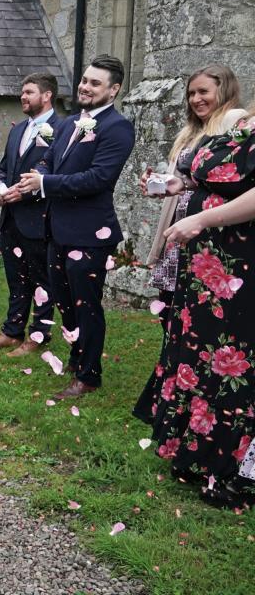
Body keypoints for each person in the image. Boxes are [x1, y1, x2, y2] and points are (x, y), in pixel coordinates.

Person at [18, 54, 135, 399]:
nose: (85, 86)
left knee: (87, 304)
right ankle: (76, 355)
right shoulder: (69, 123)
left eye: (95, 83)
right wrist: (34, 176)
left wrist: (45, 184)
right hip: (57, 228)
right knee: (65, 301)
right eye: (84, 80)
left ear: (113, 90)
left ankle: (89, 375)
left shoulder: (118, 128)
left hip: (90, 233)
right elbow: (49, 161)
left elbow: (98, 178)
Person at [133, 65, 246, 423]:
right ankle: (173, 393)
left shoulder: (237, 123)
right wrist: (171, 185)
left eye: (203, 92)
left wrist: (196, 212)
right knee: (177, 314)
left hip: (219, 240)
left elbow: (233, 180)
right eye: (191, 94)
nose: (196, 99)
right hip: (187, 230)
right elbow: (203, 180)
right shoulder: (195, 130)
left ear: (225, 90)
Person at [156, 106, 255, 507]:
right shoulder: (242, 120)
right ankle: (199, 452)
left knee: (238, 361)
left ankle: (240, 471)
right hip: (210, 268)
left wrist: (203, 219)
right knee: (207, 355)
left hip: (243, 266)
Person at [0, 73, 59, 356]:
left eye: (29, 92)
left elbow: (53, 170)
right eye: (23, 92)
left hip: (39, 218)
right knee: (16, 277)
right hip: (11, 217)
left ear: (47, 95)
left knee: (42, 280)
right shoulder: (18, 129)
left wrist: (26, 191)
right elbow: (4, 166)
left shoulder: (62, 129)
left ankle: (39, 334)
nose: (23, 97)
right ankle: (12, 331)